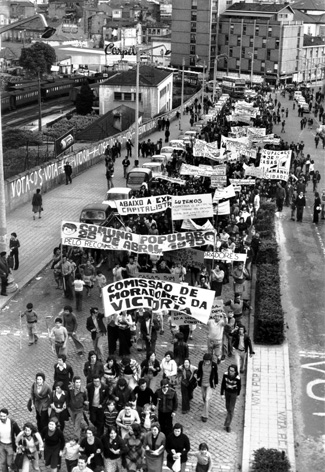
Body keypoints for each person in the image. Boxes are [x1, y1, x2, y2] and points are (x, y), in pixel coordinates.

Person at [196, 353, 218, 422]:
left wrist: (216, 383)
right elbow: (199, 371)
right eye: (205, 361)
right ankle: (206, 405)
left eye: (208, 361)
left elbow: (216, 374)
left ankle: (205, 415)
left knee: (206, 399)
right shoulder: (201, 363)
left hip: (209, 384)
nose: (207, 362)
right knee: (203, 397)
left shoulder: (214, 365)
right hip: (202, 383)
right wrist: (198, 377)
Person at [220, 364, 241, 433]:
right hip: (227, 392)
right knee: (227, 406)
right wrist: (222, 393)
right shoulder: (225, 375)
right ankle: (229, 414)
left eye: (232, 371)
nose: (230, 372)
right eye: (230, 370)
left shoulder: (237, 378)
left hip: (233, 394)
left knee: (231, 409)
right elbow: (223, 384)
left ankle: (227, 425)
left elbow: (239, 387)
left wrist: (237, 395)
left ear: (235, 372)